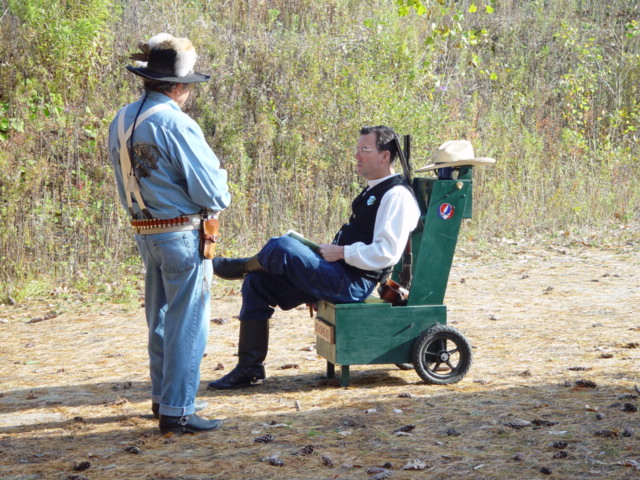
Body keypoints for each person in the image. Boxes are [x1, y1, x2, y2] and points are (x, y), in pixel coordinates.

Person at [207, 125, 421, 390]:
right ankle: (249, 369)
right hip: (339, 273)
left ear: (385, 156)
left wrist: (341, 252)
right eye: (356, 150)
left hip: (353, 283)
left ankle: (240, 266)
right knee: (257, 284)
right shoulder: (375, 189)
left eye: (364, 150)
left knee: (282, 246)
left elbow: (386, 253)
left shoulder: (396, 195)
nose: (357, 156)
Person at [108, 33, 231, 433]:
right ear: (179, 87)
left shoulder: (122, 118)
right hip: (180, 232)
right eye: (189, 86)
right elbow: (211, 191)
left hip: (145, 230)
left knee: (159, 320)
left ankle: (163, 401)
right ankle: (179, 410)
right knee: (187, 322)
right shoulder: (175, 122)